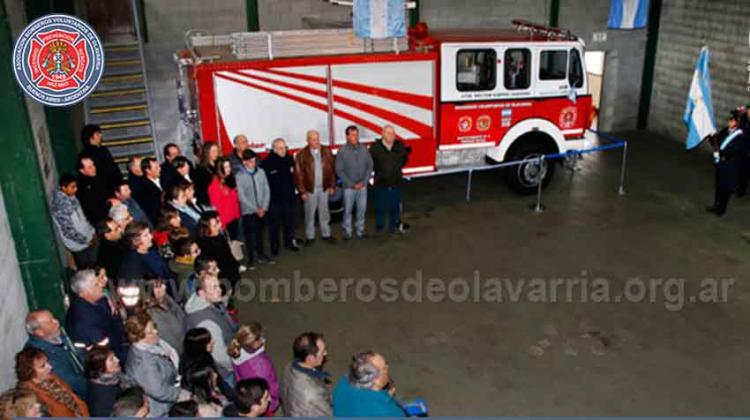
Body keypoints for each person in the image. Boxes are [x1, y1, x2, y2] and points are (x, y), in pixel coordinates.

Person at [124, 312, 184, 416]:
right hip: (161, 410)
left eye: (154, 327)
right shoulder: (143, 362)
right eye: (151, 332)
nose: (156, 331)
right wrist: (182, 394)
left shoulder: (153, 345)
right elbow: (160, 391)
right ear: (139, 337)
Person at [65, 269, 128, 362]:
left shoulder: (101, 301)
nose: (101, 286)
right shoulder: (83, 319)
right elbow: (102, 347)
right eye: (96, 285)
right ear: (84, 291)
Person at [24, 310, 87, 399]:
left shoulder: (59, 335)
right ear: (39, 332)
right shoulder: (41, 355)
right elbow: (71, 382)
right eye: (50, 322)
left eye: (53, 318)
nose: (56, 322)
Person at [185, 274, 237, 379]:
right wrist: (236, 365)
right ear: (202, 293)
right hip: (226, 371)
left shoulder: (202, 302)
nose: (219, 290)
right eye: (214, 287)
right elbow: (220, 356)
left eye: (218, 285)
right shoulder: (206, 323)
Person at [15, 347, 90, 417]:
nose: (50, 367)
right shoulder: (29, 397)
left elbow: (75, 400)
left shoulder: (52, 378)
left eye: (47, 362)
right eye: (42, 366)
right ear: (30, 372)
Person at [295, 129, 337, 245]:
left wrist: (332, 185)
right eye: (313, 139)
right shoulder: (301, 155)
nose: (317, 141)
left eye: (318, 139)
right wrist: (302, 191)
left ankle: (326, 234)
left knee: (325, 213)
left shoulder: (326, 151)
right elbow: (298, 174)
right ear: (308, 141)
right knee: (310, 214)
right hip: (310, 190)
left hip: (324, 188)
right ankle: (310, 236)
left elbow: (332, 170)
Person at [332, 351, 405, 417]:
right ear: (376, 380)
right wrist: (388, 399)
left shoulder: (343, 382)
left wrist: (386, 395)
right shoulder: (389, 413)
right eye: (385, 368)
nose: (387, 368)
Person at [228, 322, 279, 413]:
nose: (264, 340)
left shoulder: (237, 351)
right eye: (261, 338)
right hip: (263, 400)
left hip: (248, 394)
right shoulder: (261, 365)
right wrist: (276, 398)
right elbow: (271, 385)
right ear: (254, 344)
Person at [51, 173, 97, 269]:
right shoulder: (61, 206)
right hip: (78, 244)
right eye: (72, 187)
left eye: (76, 186)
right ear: (63, 188)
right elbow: (68, 230)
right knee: (85, 269)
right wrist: (85, 241)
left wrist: (91, 231)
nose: (76, 189)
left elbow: (82, 217)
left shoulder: (71, 197)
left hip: (86, 238)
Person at [280, 332, 332, 417]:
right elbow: (327, 414)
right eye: (322, 352)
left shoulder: (289, 367)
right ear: (310, 358)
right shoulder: (314, 394)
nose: (325, 353)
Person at [263, 138, 300, 256]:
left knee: (289, 223)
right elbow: (265, 184)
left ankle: (289, 243)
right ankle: (275, 248)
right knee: (274, 226)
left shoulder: (289, 159)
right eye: (280, 148)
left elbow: (294, 175)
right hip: (274, 200)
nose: (283, 150)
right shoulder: (267, 163)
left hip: (289, 198)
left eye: (285, 147)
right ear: (274, 149)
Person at [336, 126, 374, 240]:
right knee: (347, 210)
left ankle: (360, 231)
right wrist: (352, 184)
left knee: (362, 210)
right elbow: (339, 171)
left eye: (356, 135)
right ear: (347, 136)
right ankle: (347, 232)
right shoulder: (342, 151)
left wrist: (364, 182)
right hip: (349, 188)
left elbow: (370, 166)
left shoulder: (364, 149)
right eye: (352, 135)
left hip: (363, 186)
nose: (355, 137)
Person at [370, 125, 409, 233]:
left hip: (396, 183)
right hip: (381, 184)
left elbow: (404, 159)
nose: (391, 136)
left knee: (394, 208)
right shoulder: (375, 148)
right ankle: (380, 227)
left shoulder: (400, 146)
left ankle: (393, 227)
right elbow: (371, 163)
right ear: (382, 134)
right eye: (388, 133)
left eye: (393, 133)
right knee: (380, 208)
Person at [236, 149, 272, 266]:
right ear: (244, 162)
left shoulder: (261, 172)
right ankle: (252, 257)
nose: (253, 163)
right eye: (250, 161)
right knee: (250, 235)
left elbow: (266, 189)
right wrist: (255, 209)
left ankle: (261, 253)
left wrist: (264, 207)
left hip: (262, 208)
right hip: (249, 211)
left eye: (254, 160)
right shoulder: (239, 176)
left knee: (260, 233)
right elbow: (242, 196)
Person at [118, 222, 177, 294]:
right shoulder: (132, 265)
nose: (151, 237)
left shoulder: (151, 248)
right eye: (146, 235)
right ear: (135, 241)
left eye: (149, 233)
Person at [708, 110, 745, 216]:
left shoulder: (740, 136)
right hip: (721, 163)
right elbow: (717, 142)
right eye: (729, 120)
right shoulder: (725, 130)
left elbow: (736, 150)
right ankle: (716, 204)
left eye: (732, 121)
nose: (729, 123)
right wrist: (712, 137)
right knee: (718, 185)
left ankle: (721, 209)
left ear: (737, 122)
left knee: (726, 187)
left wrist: (721, 152)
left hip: (731, 165)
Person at [141, 277, 186, 354]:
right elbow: (171, 343)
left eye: (163, 284)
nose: (164, 287)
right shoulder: (154, 315)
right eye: (158, 286)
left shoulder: (167, 301)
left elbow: (182, 316)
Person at [197, 213, 241, 288]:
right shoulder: (205, 245)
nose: (220, 225)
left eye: (218, 221)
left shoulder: (218, 236)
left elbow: (228, 254)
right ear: (207, 228)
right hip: (223, 277)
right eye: (215, 225)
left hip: (230, 272)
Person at [79, 124, 122, 194]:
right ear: (90, 137)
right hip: (104, 188)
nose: (100, 135)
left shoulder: (102, 150)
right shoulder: (91, 153)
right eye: (97, 134)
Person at [85, 346, 123, 417]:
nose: (117, 360)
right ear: (100, 366)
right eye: (111, 359)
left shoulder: (108, 380)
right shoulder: (104, 398)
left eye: (114, 356)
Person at [208, 157, 241, 240]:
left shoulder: (228, 180)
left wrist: (237, 215)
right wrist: (222, 224)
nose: (229, 169)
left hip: (233, 217)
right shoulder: (215, 185)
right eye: (226, 167)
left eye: (229, 166)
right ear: (220, 169)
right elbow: (217, 206)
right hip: (226, 221)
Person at [76, 156, 110, 226]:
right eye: (89, 167)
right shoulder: (82, 187)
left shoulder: (100, 176)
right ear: (82, 171)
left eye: (93, 165)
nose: (94, 168)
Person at [133, 157, 164, 226]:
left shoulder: (164, 179)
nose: (160, 169)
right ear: (148, 170)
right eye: (156, 167)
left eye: (159, 166)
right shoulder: (143, 188)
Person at [195, 141, 221, 207]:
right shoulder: (201, 169)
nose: (216, 154)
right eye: (213, 151)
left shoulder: (220, 164)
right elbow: (201, 189)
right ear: (207, 153)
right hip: (210, 200)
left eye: (217, 151)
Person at [737, 104, 750, 196]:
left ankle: (741, 190)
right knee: (739, 168)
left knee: (745, 171)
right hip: (741, 148)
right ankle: (737, 186)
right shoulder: (744, 119)